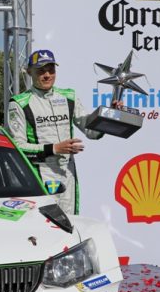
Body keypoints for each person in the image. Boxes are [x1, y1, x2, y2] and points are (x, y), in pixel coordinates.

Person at [7, 49, 103, 215]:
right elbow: (17, 148)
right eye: (41, 71)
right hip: (39, 173)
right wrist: (54, 149)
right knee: (43, 228)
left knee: (71, 225)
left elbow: (91, 131)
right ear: (30, 72)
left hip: (67, 172)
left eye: (51, 70)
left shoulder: (68, 97)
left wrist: (108, 117)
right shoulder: (19, 104)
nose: (47, 75)